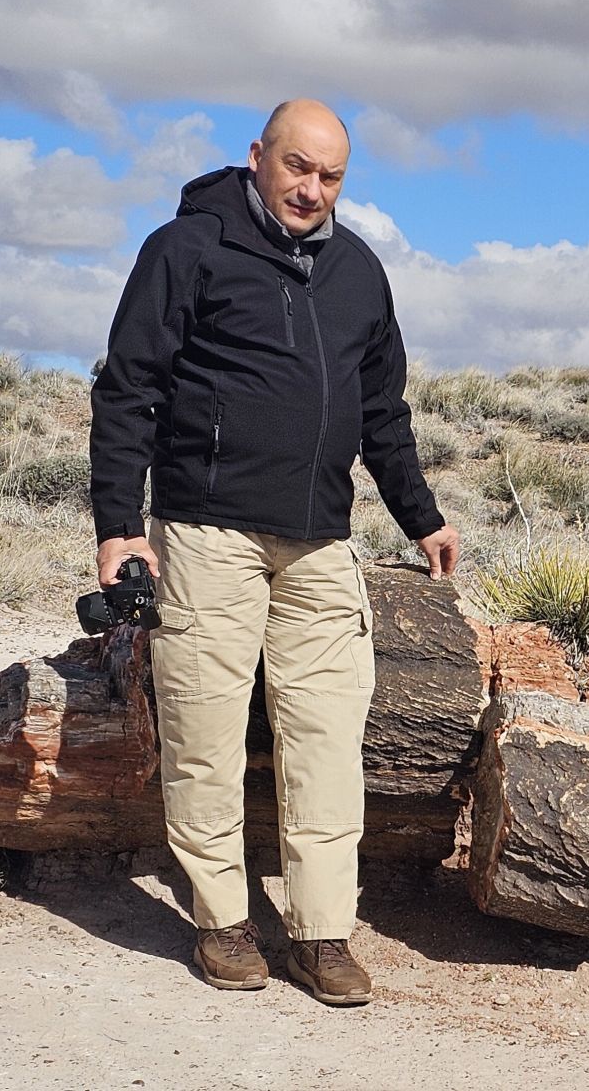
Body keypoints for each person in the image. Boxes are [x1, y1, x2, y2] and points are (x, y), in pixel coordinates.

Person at [90, 98, 459, 1005]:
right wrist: (119, 525)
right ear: (258, 155)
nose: (312, 189)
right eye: (298, 167)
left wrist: (421, 516)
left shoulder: (360, 269)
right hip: (207, 531)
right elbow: (128, 389)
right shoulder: (188, 248)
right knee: (205, 732)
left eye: (331, 176)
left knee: (327, 740)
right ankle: (222, 921)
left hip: (320, 540)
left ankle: (322, 933)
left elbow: (383, 412)